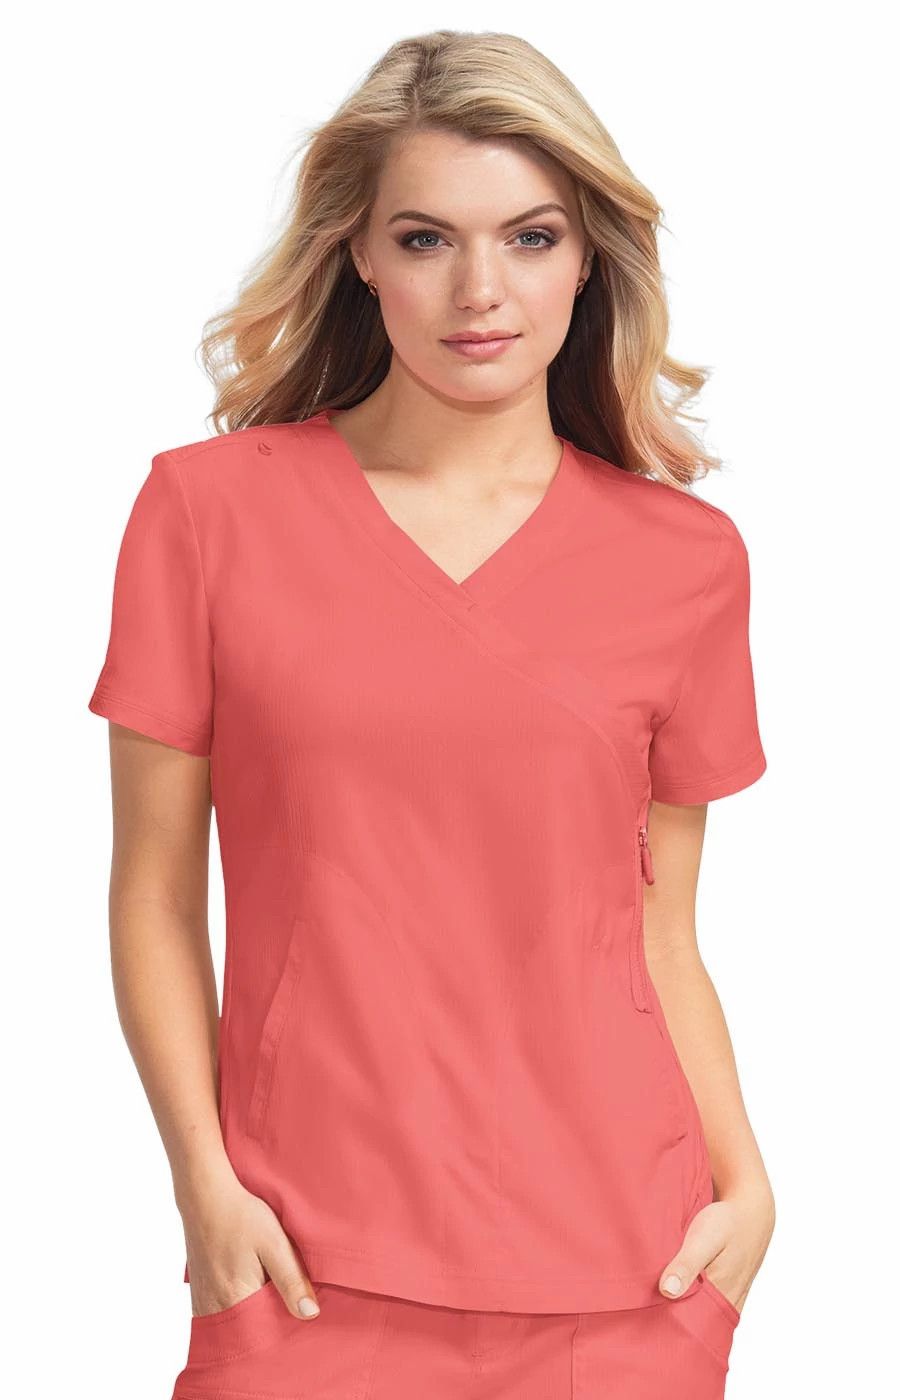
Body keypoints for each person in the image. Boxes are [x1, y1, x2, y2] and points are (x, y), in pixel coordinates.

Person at [87, 28, 775, 1400]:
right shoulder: (207, 517)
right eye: (424, 239)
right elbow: (154, 893)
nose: (479, 291)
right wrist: (202, 1187)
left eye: (530, 237)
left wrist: (748, 1187)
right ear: (356, 252)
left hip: (629, 1270)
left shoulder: (687, 561)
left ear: (588, 258)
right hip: (299, 1265)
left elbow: (659, 932)